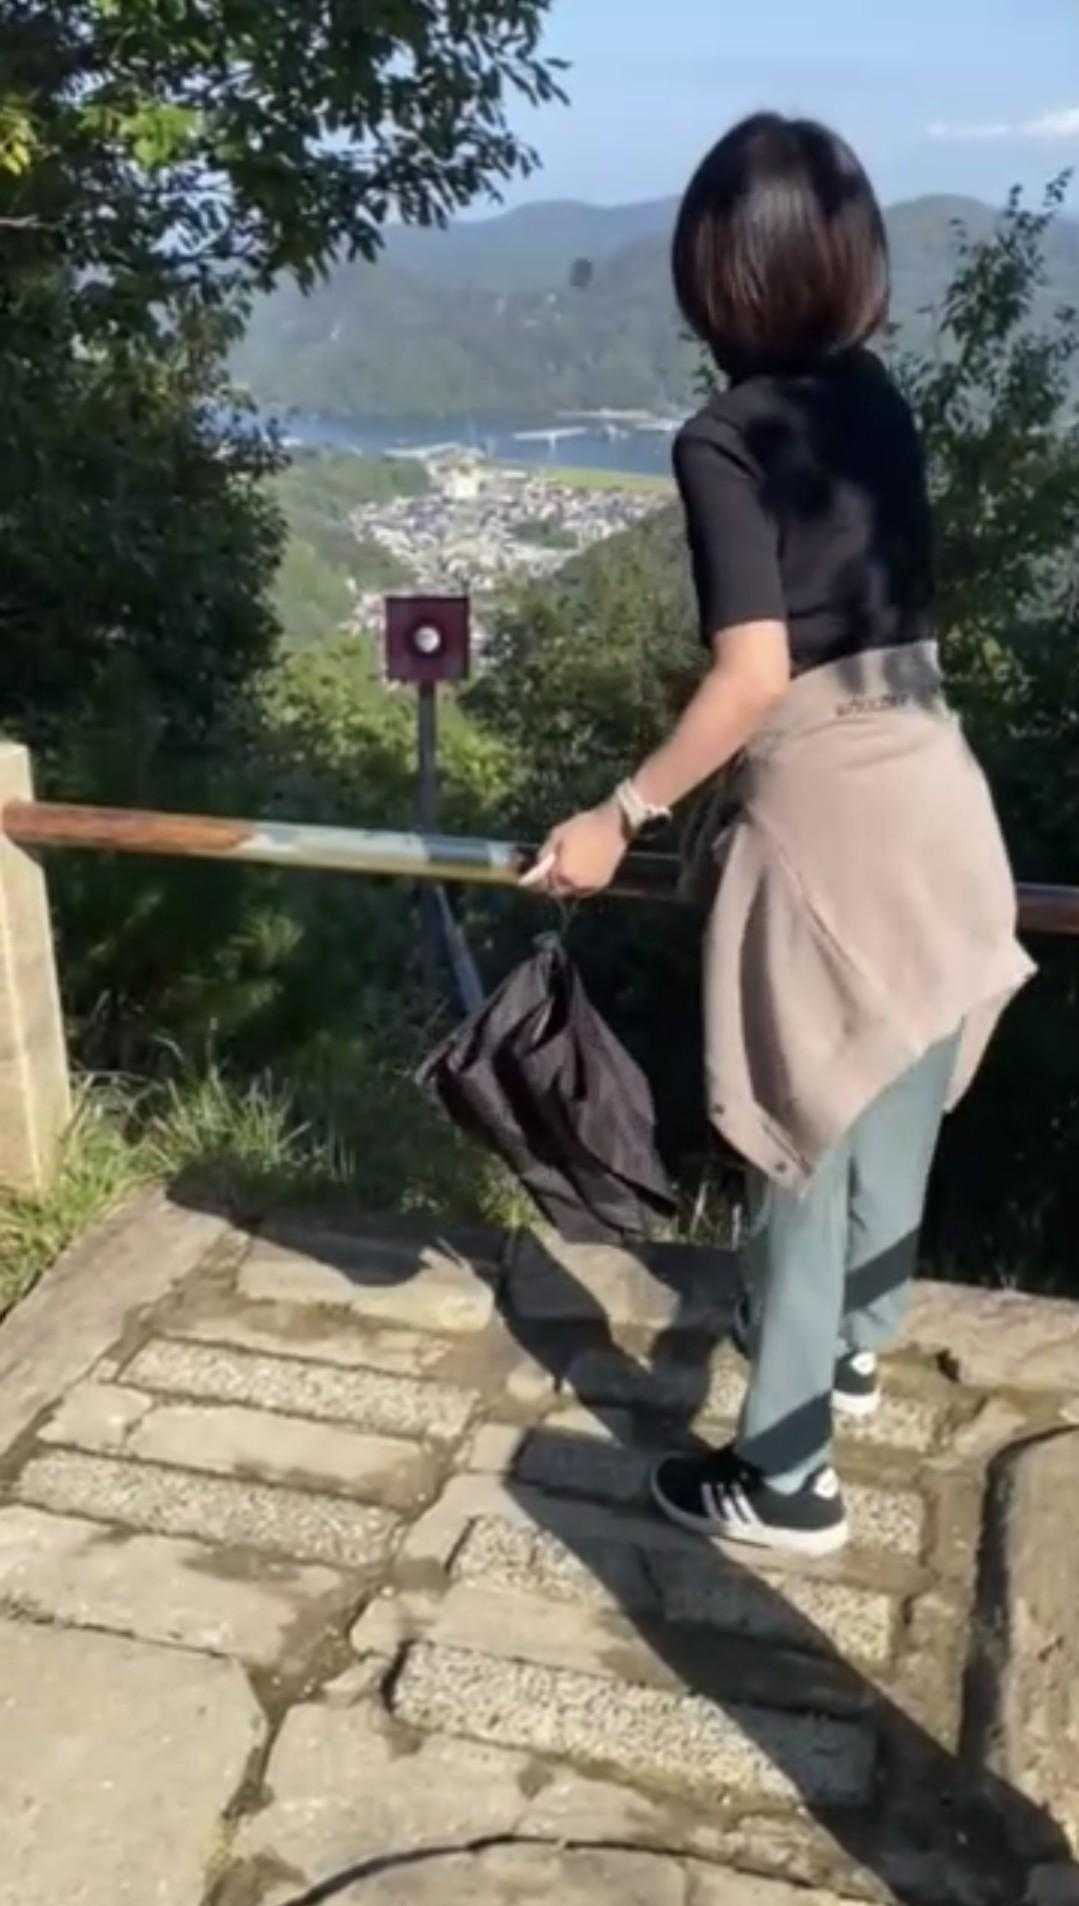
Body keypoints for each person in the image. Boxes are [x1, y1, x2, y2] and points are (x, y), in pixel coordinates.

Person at [521, 113, 1035, 1557]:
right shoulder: (878, 402)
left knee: (801, 1127)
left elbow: (752, 676)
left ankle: (788, 1472)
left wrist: (621, 813)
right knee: (900, 1075)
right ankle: (858, 1349)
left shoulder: (723, 438)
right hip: (938, 776)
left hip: (827, 806)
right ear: (851, 261)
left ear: (714, 271)